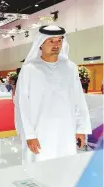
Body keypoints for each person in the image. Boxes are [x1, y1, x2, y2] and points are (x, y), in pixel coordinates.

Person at [15, 25, 92, 164]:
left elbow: (78, 100)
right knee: (40, 170)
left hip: (66, 130)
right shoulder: (29, 70)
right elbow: (22, 105)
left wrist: (81, 129)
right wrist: (29, 134)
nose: (56, 45)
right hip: (40, 131)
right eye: (51, 41)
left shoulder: (70, 68)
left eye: (59, 40)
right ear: (41, 43)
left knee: (66, 168)